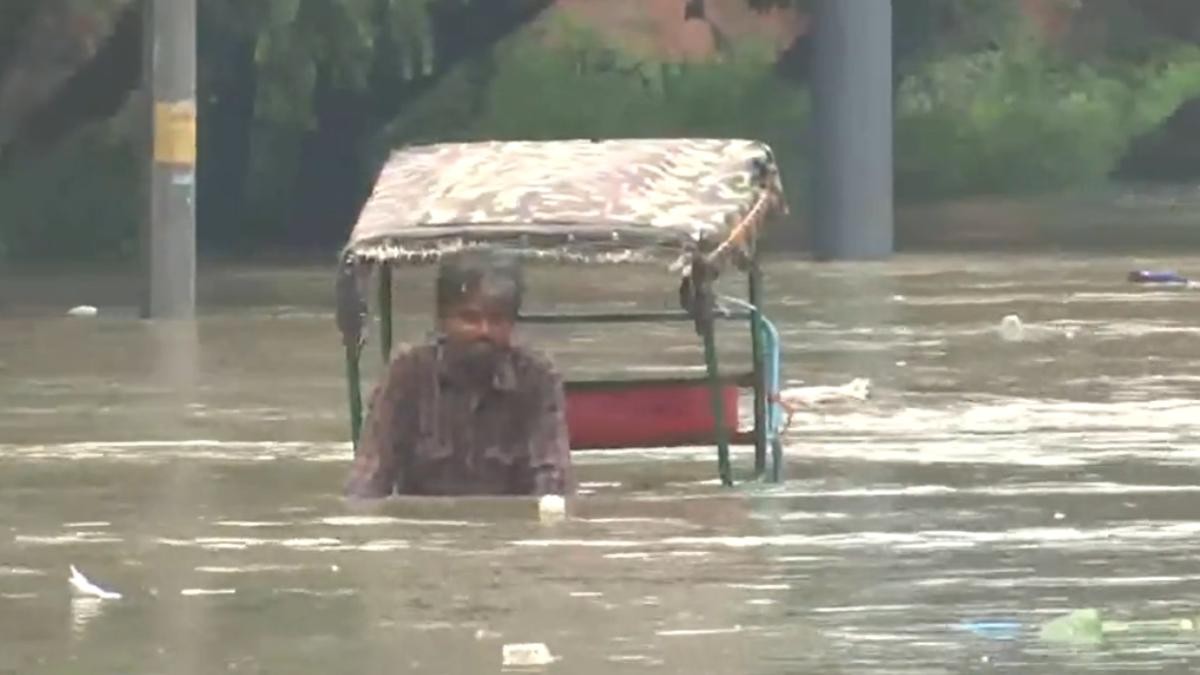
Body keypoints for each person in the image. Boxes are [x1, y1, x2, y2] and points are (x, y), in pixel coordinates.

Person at [345, 250, 573, 498]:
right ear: (443, 320)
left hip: (509, 518)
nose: (484, 331)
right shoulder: (408, 372)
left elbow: (552, 475)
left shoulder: (536, 377)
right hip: (426, 518)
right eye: (469, 318)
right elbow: (371, 472)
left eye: (497, 320)